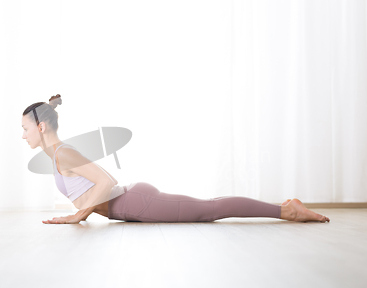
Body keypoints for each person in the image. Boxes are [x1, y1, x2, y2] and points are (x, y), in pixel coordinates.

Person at [22, 95, 330, 225]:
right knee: (209, 205)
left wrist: (80, 216)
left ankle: (288, 210)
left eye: (25, 128)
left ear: (41, 126)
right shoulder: (59, 154)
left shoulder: (64, 153)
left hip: (135, 203)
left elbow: (107, 181)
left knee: (210, 210)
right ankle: (286, 207)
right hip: (131, 203)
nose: (23, 135)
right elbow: (96, 186)